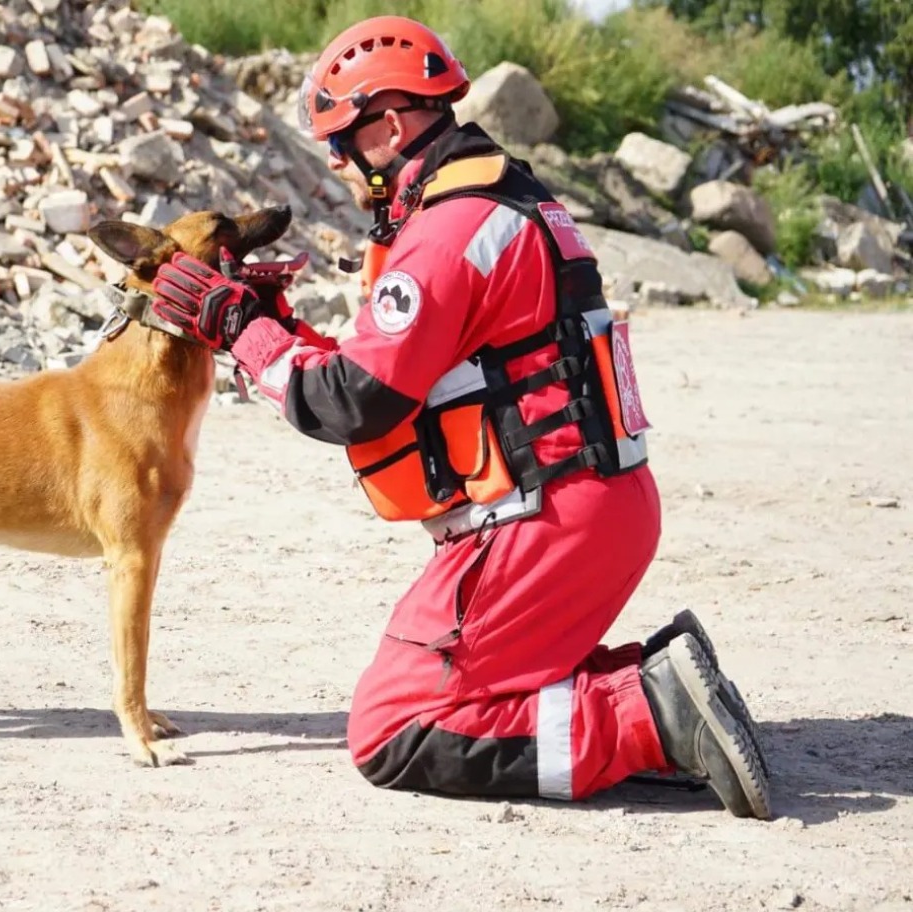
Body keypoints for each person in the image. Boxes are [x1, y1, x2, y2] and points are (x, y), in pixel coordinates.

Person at [145, 16, 773, 819]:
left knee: (394, 729)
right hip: (593, 505)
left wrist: (240, 329)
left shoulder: (448, 230)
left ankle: (651, 714)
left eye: (341, 141)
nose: (336, 162)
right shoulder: (507, 197)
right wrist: (278, 328)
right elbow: (400, 372)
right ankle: (664, 679)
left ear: (389, 127)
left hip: (546, 522)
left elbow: (353, 403)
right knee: (474, 687)